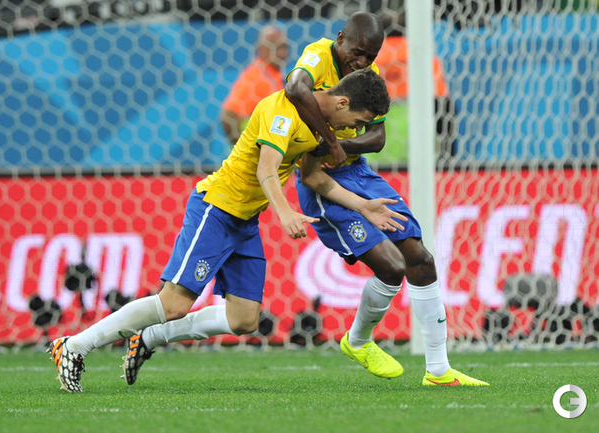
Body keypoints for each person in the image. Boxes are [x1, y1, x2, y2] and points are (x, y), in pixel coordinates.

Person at [48, 68, 404, 392]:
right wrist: (284, 212)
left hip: (245, 222)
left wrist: (362, 206)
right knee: (173, 304)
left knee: (244, 319)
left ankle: (149, 337)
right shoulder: (282, 111)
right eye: (359, 121)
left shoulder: (320, 126)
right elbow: (266, 168)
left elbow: (313, 178)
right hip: (216, 208)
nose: (356, 130)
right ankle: (74, 346)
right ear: (342, 103)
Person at [286, 11, 488, 386]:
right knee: (393, 268)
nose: (362, 62)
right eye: (358, 52)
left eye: (371, 56)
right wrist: (330, 143)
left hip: (357, 171)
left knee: (420, 258)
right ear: (341, 38)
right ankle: (357, 341)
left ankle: (438, 370)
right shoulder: (317, 56)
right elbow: (295, 88)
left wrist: (339, 146)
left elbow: (377, 138)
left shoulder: (368, 76)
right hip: (320, 181)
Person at [368, 11, 457, 163]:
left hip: (378, 145)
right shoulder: (422, 54)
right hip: (420, 141)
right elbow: (444, 104)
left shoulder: (368, 58)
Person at [220, 25, 289, 146]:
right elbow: (227, 116)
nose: (282, 53)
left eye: (284, 47)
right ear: (261, 49)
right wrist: (245, 148)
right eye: (275, 47)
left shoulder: (273, 74)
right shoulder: (257, 77)